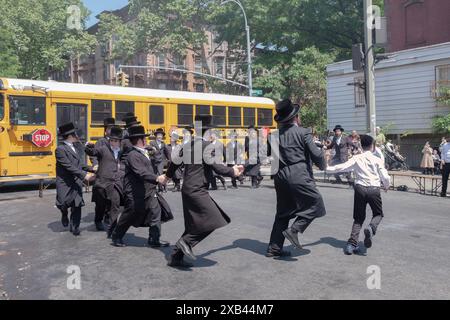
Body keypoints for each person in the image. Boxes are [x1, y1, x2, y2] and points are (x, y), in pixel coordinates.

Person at [163, 115, 244, 268]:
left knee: (193, 225)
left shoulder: (187, 145)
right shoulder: (207, 146)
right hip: (197, 190)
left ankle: (176, 258)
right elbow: (216, 167)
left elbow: (173, 163)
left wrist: (166, 176)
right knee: (214, 219)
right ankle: (185, 242)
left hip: (187, 188)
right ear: (208, 131)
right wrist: (233, 171)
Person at [266, 99, 326, 257]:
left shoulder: (272, 136)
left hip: (280, 176)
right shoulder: (303, 132)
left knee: (283, 213)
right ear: (296, 117)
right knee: (316, 203)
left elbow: (269, 156)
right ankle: (294, 230)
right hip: (298, 173)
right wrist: (323, 164)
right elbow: (316, 154)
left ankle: (274, 248)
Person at [326, 135, 390, 255]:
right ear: (372, 146)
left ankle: (351, 245)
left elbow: (342, 167)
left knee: (358, 218)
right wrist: (386, 185)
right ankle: (371, 228)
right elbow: (385, 176)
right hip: (374, 189)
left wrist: (327, 168)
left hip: (360, 188)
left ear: (361, 145)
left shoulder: (357, 158)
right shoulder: (377, 159)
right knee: (378, 214)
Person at [111, 125, 169, 248]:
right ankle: (116, 236)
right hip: (135, 192)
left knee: (156, 213)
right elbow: (140, 172)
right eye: (144, 138)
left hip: (149, 190)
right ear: (140, 140)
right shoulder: (132, 155)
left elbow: (151, 165)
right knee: (129, 214)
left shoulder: (144, 152)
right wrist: (157, 178)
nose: (146, 140)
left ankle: (154, 239)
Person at [55, 123, 95, 236]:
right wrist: (84, 175)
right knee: (63, 203)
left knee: (77, 204)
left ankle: (75, 226)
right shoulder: (60, 149)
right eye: (76, 133)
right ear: (71, 135)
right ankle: (64, 213)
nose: (78, 135)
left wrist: (93, 169)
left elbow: (79, 164)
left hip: (76, 180)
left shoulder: (76, 147)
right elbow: (69, 166)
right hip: (65, 182)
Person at [85, 126, 124, 238]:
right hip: (102, 183)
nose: (113, 143)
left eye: (115, 141)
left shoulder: (122, 152)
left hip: (115, 183)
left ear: (119, 141)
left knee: (114, 206)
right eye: (111, 140)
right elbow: (93, 152)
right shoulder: (103, 149)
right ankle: (98, 220)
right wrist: (88, 147)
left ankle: (112, 229)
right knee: (100, 205)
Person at [90, 117, 116, 230]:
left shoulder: (116, 142)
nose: (111, 131)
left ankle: (108, 216)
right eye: (109, 129)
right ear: (105, 130)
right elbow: (94, 155)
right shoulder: (101, 142)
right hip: (101, 174)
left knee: (112, 198)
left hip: (113, 175)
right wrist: (95, 164)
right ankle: (98, 220)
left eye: (113, 128)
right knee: (100, 200)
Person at [149, 128, 171, 193]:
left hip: (161, 161)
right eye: (158, 135)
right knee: (155, 175)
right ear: (156, 136)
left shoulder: (163, 144)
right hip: (154, 161)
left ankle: (161, 188)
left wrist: (169, 159)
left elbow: (166, 152)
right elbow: (150, 152)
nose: (160, 136)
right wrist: (153, 151)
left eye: (161, 135)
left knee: (159, 173)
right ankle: (163, 186)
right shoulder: (152, 143)